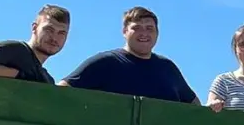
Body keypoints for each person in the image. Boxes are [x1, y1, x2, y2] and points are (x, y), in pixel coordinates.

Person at [59, 7, 198, 104]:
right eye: (136, 28)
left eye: (149, 29)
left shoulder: (168, 68)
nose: (144, 33)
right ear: (124, 31)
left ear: (157, 33)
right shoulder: (105, 63)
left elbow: (195, 106)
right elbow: (60, 91)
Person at [0, 4, 70, 83]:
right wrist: (16, 75)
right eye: (49, 30)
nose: (54, 38)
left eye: (61, 33)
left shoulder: (47, 79)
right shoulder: (19, 50)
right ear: (34, 28)